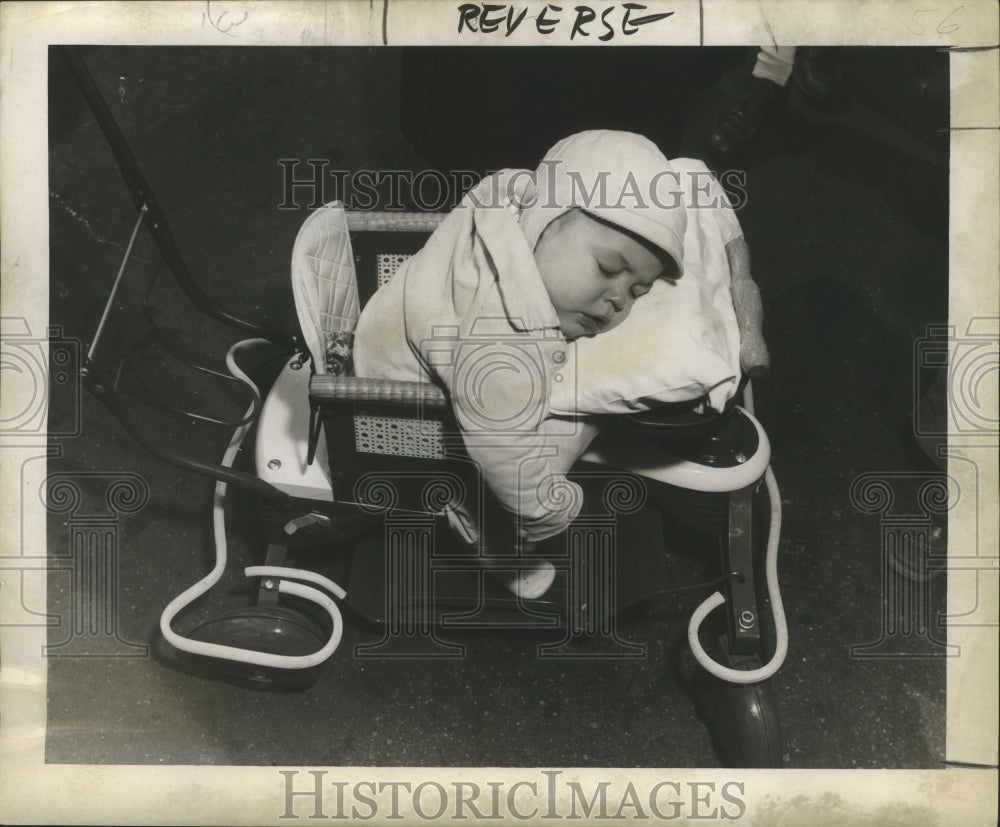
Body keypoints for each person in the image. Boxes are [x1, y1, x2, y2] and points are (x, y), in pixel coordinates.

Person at [354, 130, 764, 597]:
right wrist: (551, 508)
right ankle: (485, 530)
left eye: (637, 292)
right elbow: (502, 447)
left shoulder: (512, 202)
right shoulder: (503, 337)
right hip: (402, 409)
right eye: (609, 270)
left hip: (390, 323)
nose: (616, 299)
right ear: (544, 223)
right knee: (577, 411)